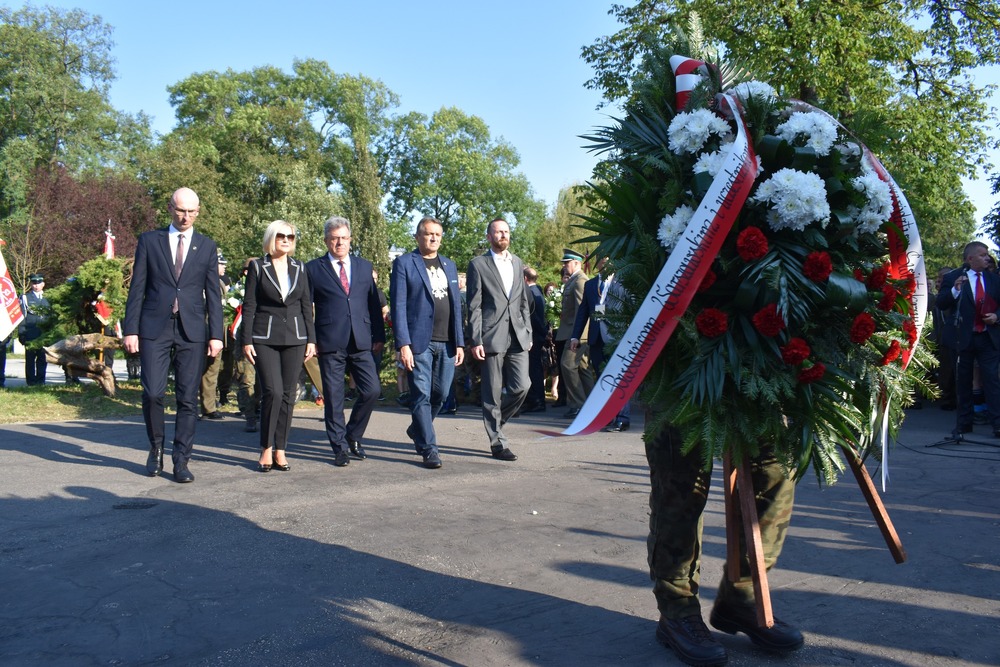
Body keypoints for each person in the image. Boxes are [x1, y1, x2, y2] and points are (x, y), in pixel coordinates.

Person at [647, 426, 802, 666]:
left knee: (774, 468)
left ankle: (740, 599)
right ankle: (677, 610)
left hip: (765, 402)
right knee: (682, 481)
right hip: (681, 402)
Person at [123, 187, 224, 483]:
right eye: (181, 210)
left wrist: (216, 334)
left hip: (192, 330)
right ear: (170, 208)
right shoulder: (149, 241)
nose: (185, 217)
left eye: (191, 211)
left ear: (198, 212)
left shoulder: (206, 246)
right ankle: (156, 448)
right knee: (153, 392)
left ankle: (181, 460)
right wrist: (131, 329)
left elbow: (213, 295)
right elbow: (137, 288)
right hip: (154, 326)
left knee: (187, 398)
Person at [306, 216, 386, 467]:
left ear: (350, 239)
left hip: (361, 340)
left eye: (343, 238)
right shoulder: (313, 269)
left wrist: (379, 336)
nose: (339, 242)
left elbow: (373, 304)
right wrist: (311, 340)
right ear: (326, 241)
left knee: (372, 390)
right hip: (329, 341)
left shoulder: (364, 266)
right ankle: (339, 447)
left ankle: (353, 435)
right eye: (334, 238)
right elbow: (306, 308)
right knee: (334, 397)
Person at [389, 216, 465, 469]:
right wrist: (403, 344)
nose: (434, 238)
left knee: (441, 394)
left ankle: (417, 428)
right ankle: (429, 449)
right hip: (418, 341)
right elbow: (398, 306)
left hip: (447, 342)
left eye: (438, 234)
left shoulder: (449, 265)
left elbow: (456, 306)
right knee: (421, 394)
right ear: (418, 237)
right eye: (429, 233)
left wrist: (460, 342)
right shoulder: (404, 263)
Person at [241, 220, 316, 472]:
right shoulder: (258, 267)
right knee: (272, 392)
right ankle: (266, 447)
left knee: (287, 394)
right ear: (271, 238)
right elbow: (249, 305)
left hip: (295, 337)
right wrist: (246, 340)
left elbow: (306, 305)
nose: (286, 240)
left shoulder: (300, 267)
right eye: (281, 235)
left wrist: (311, 339)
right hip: (264, 337)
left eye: (291, 237)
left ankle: (281, 449)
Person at [466, 217, 532, 461]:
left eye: (506, 231)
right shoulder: (478, 264)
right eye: (498, 232)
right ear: (489, 237)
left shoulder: (517, 262)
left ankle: (495, 422)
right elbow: (474, 305)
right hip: (491, 335)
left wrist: (528, 331)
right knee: (492, 392)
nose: (503, 235)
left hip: (518, 335)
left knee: (522, 386)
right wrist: (476, 339)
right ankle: (497, 443)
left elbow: (523, 301)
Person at [936, 241, 1000, 437]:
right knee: (963, 380)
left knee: (991, 380)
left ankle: (997, 424)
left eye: (987, 254)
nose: (987, 258)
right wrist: (955, 290)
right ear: (970, 258)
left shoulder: (994, 279)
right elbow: (941, 303)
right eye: (982, 255)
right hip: (961, 337)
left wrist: (997, 316)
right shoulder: (953, 277)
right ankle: (964, 424)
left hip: (987, 337)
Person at [569, 257, 630, 431]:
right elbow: (583, 312)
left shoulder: (623, 283)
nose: (606, 264)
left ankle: (622, 418)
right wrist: (575, 336)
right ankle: (608, 416)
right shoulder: (590, 285)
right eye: (602, 260)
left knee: (619, 377)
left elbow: (631, 308)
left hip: (617, 337)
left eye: (609, 260)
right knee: (603, 378)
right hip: (596, 338)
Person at [555, 249, 593, 419]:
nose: (564, 266)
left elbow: (581, 312)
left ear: (577, 263)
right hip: (573, 333)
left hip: (576, 334)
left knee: (567, 365)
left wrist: (577, 336)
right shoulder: (574, 280)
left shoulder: (580, 281)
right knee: (583, 369)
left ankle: (579, 405)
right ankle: (592, 404)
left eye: (567, 263)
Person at [200, 254, 231, 420]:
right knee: (206, 370)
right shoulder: (204, 281)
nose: (224, 267)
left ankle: (209, 406)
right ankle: (205, 407)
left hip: (217, 331)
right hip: (206, 330)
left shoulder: (219, 283)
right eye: (221, 264)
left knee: (212, 370)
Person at [521, 266, 548, 413]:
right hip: (537, 335)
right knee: (534, 369)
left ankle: (536, 401)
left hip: (533, 336)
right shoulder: (537, 291)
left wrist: (542, 332)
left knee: (533, 370)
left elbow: (532, 316)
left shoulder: (530, 292)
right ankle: (536, 400)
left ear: (525, 278)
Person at [18, 273, 49, 385]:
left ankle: (41, 381)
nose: (36, 285)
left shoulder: (49, 297)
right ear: (31, 284)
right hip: (30, 333)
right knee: (30, 359)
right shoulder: (25, 298)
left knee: (42, 359)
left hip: (44, 334)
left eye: (39, 283)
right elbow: (22, 317)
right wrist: (21, 333)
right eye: (34, 283)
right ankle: (31, 382)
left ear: (43, 284)